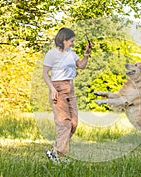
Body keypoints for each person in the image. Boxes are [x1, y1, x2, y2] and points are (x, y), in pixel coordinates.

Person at [42, 27, 92, 163]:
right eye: (71, 41)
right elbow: (45, 73)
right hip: (57, 88)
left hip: (70, 88)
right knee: (64, 124)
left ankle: (54, 152)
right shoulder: (52, 54)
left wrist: (86, 54)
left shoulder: (71, 53)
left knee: (73, 124)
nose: (73, 43)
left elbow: (81, 65)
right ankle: (59, 155)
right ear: (63, 40)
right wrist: (52, 89)